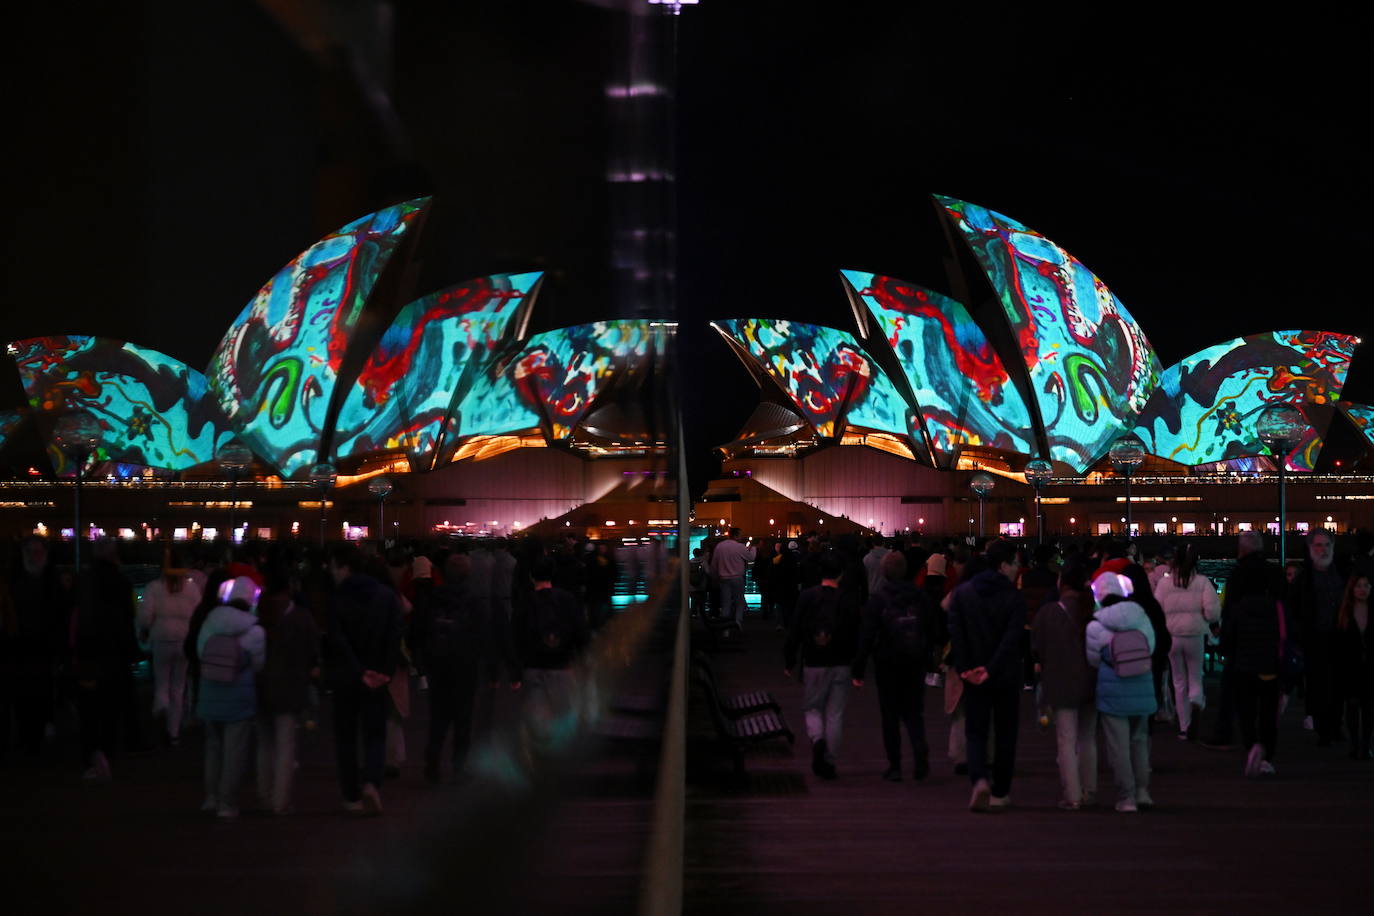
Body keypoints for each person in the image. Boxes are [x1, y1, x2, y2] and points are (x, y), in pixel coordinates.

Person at [947, 539, 1024, 811]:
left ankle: (978, 778)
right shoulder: (1013, 596)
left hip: (972, 673)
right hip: (1004, 674)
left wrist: (967, 667)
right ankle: (1000, 791)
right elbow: (1012, 637)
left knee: (976, 730)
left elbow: (956, 633)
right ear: (1003, 566)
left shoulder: (964, 593)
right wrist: (991, 668)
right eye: (1015, 563)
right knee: (1005, 733)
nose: (1018, 568)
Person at [325, 545, 403, 815]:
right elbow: (394, 638)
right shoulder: (386, 596)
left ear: (345, 567)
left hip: (346, 676)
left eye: (334, 566)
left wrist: (358, 670)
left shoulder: (337, 598)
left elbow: (336, 639)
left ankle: (351, 796)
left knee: (345, 737)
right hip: (378, 676)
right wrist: (384, 671)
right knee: (375, 733)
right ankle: (372, 781)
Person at [852, 550, 942, 781]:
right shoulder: (920, 596)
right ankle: (920, 753)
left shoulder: (879, 599)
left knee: (889, 714)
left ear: (884, 572)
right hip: (915, 660)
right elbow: (931, 628)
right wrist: (930, 656)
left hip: (887, 661)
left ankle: (895, 766)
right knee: (914, 712)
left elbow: (867, 635)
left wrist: (859, 669)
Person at [1085, 570, 1157, 812]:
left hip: (1112, 689)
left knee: (1119, 747)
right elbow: (1152, 646)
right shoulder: (1141, 616)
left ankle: (1126, 797)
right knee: (1139, 741)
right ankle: (1143, 791)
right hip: (1143, 684)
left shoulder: (1096, 624)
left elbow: (1093, 660)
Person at [785, 551, 861, 780]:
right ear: (841, 574)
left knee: (813, 707)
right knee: (835, 713)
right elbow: (856, 633)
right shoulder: (847, 599)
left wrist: (789, 658)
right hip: (841, 661)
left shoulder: (808, 596)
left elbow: (795, 629)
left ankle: (817, 740)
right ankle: (829, 759)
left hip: (814, 659)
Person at [195, 576, 266, 819]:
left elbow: (200, 652)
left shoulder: (209, 622)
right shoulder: (255, 630)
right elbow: (257, 665)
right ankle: (227, 803)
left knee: (212, 749)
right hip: (239, 697)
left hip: (209, 693)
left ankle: (211, 796)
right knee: (234, 752)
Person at [70, 539, 141, 782]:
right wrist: (131, 652)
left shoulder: (83, 580)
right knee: (110, 708)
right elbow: (128, 619)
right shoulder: (122, 583)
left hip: (88, 653)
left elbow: (72, 615)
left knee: (89, 710)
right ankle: (107, 753)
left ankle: (92, 756)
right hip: (114, 655)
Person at [1030, 557, 1098, 810]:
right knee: (1088, 738)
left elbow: (1036, 646)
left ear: (1062, 583)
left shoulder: (1050, 613)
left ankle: (1073, 795)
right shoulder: (1093, 611)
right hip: (1091, 681)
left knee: (1066, 740)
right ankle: (1090, 790)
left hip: (1061, 683)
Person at [1221, 533, 1289, 777]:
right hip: (1270, 655)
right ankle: (1267, 754)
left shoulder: (1236, 576)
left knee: (1246, 706)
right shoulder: (1276, 574)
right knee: (1269, 709)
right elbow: (1287, 614)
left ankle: (1251, 745)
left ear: (1241, 550)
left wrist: (1226, 649)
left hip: (1243, 655)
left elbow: (1228, 617)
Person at [254, 563, 319, 815]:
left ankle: (263, 795)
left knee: (264, 744)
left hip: (261, 684)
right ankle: (280, 802)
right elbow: (313, 650)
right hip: (290, 685)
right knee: (285, 745)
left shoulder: (259, 612)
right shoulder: (300, 617)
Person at [512, 556, 587, 745]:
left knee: (537, 721)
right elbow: (580, 632)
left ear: (531, 576)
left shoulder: (525, 602)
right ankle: (559, 759)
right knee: (562, 717)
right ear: (552, 574)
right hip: (563, 666)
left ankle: (539, 756)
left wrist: (515, 672)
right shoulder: (567, 599)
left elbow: (515, 637)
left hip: (533, 667)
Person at [6, 536, 69, 755]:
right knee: (25, 694)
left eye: (38, 551)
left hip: (40, 646)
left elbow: (62, 615)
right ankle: (30, 735)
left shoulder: (24, 579)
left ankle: (33, 736)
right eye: (31, 551)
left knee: (38, 692)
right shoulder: (45, 580)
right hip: (22, 647)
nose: (35, 556)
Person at [1153, 543, 1220, 740]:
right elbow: (1212, 611)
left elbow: (1157, 610)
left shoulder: (1164, 584)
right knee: (1195, 676)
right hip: (1195, 634)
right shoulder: (1202, 582)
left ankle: (1184, 726)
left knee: (1178, 680)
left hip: (1172, 636)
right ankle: (1197, 702)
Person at [137, 549, 202, 745]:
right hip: (183, 640)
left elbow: (145, 617)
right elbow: (197, 614)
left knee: (162, 681)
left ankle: (161, 706)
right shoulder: (191, 589)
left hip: (162, 639)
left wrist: (145, 628)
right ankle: (174, 733)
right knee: (179, 686)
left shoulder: (154, 587)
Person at [1289, 530, 1347, 745]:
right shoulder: (1304, 580)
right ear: (1311, 548)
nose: (1322, 550)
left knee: (1338, 685)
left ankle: (1335, 725)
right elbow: (1293, 609)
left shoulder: (1342, 573)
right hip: (1314, 639)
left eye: (1326, 545)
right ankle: (1325, 728)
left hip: (1340, 638)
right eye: (1318, 546)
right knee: (1318, 686)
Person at [1334, 573, 1373, 760]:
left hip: (1369, 668)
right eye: (1359, 585)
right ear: (1352, 589)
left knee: (1368, 709)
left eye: (1366, 585)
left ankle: (1365, 745)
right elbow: (1338, 644)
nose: (1362, 589)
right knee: (1352, 706)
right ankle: (1355, 744)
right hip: (1350, 668)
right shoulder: (1344, 614)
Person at [710, 528, 756, 628]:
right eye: (740, 535)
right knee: (739, 601)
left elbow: (714, 564)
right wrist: (753, 549)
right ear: (736, 535)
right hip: (737, 578)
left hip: (723, 578)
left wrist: (714, 576)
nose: (741, 537)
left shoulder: (720, 546)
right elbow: (751, 558)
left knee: (725, 603)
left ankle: (725, 627)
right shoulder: (739, 547)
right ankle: (738, 621)